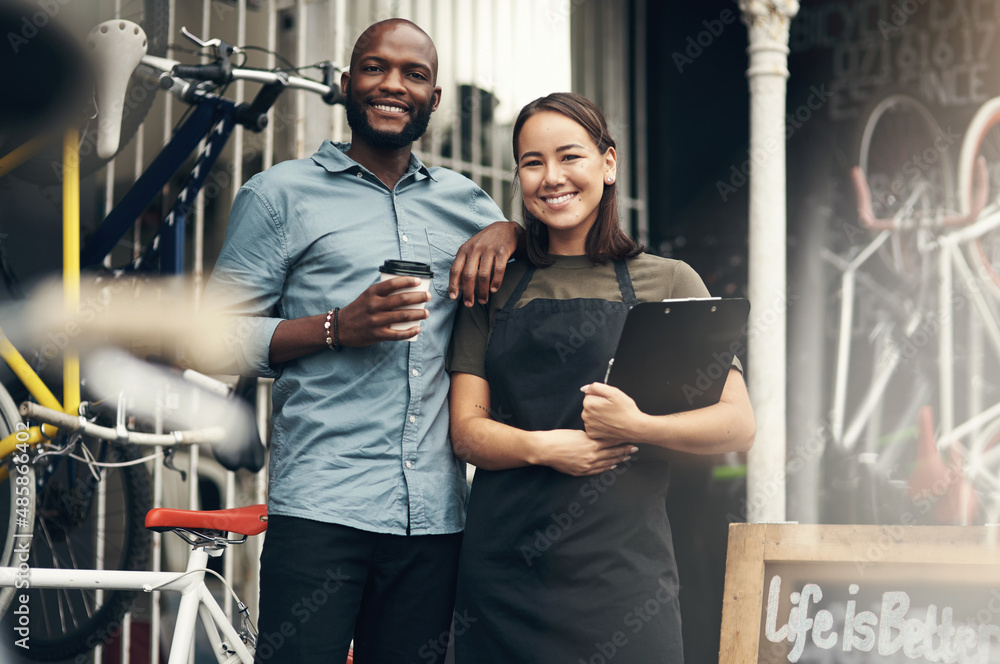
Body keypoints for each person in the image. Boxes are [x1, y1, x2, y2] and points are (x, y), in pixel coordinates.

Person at [202, 18, 522, 664]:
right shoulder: (278, 196)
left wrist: (512, 231)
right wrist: (335, 327)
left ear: (434, 101)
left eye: (414, 74)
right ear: (347, 85)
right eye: (375, 68)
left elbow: (533, 275)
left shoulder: (469, 206)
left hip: (434, 520)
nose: (392, 85)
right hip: (322, 510)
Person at [447, 92, 756, 663]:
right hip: (503, 577)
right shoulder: (493, 287)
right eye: (532, 162)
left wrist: (639, 425)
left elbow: (736, 425)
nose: (551, 177)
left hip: (624, 578)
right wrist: (548, 448)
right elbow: (466, 431)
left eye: (570, 157)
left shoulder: (668, 280)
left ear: (608, 164)